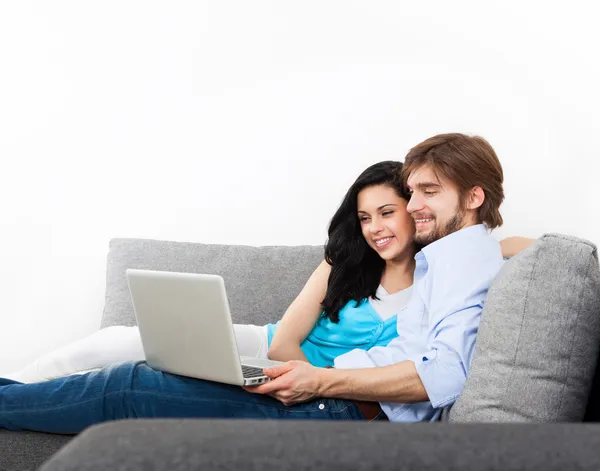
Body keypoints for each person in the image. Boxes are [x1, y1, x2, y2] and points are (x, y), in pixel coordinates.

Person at [0, 133, 528, 433]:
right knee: (129, 366)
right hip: (324, 385)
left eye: (425, 193)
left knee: (129, 386)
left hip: (344, 406)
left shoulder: (467, 258)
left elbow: (445, 376)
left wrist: (318, 380)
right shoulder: (450, 255)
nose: (412, 209)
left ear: (475, 197)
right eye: (408, 195)